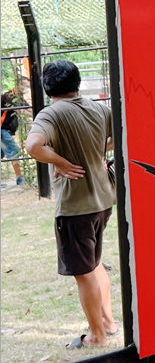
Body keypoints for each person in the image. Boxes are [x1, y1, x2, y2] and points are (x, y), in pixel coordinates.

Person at [24, 60, 117, 348]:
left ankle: (97, 336)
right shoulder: (100, 107)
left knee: (83, 270)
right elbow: (120, 135)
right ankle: (109, 324)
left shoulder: (50, 114)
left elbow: (32, 147)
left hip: (76, 205)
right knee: (94, 263)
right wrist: (98, 152)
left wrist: (62, 163)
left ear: (47, 87)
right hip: (103, 200)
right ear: (76, 82)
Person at [1, 90, 23, 187]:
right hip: (2, 129)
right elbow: (22, 109)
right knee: (14, 151)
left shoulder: (17, 96)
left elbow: (29, 108)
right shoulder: (9, 96)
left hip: (5, 129)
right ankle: (19, 178)